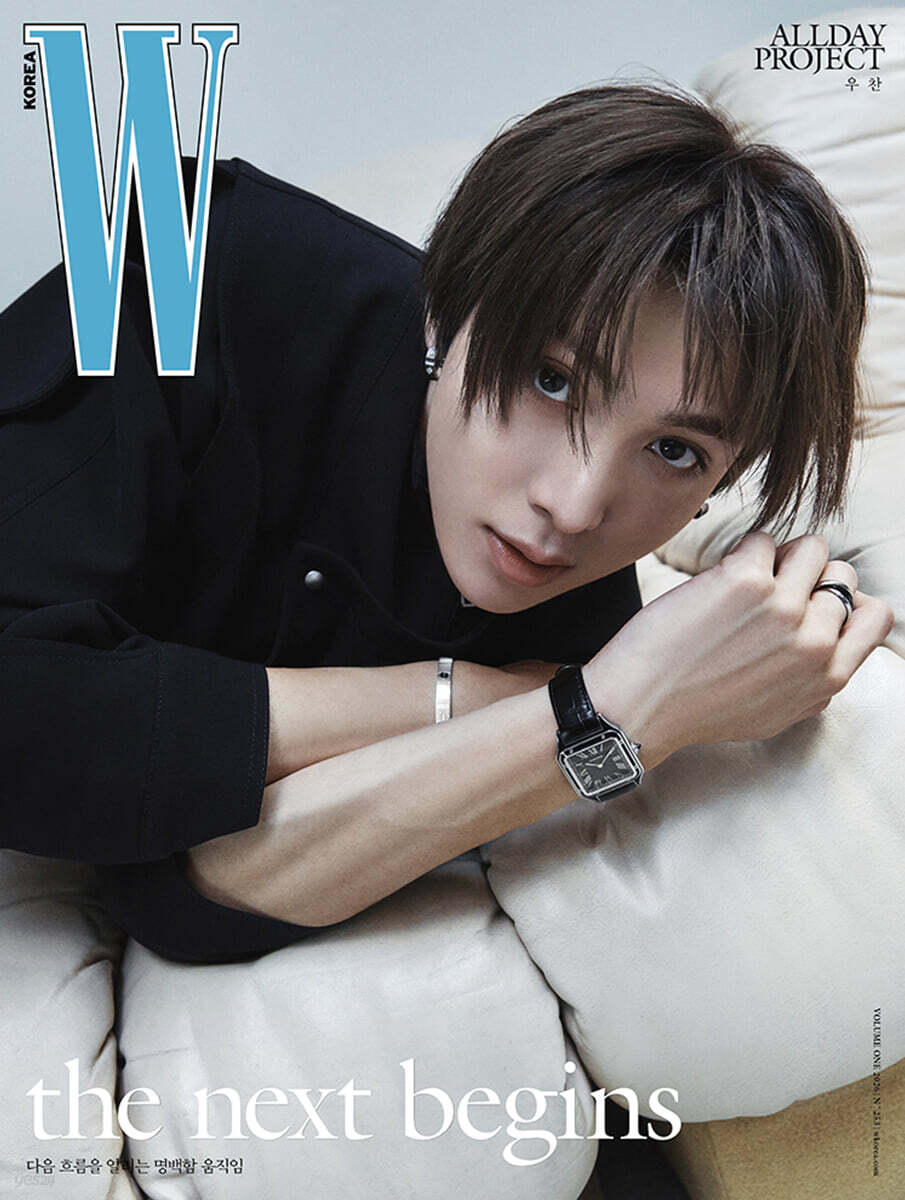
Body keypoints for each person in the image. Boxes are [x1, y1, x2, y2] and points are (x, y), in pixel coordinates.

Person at [0, 83, 893, 963]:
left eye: (674, 451)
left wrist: (613, 712)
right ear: (443, 306)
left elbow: (182, 900)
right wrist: (477, 700)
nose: (574, 506)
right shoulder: (193, 262)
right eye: (551, 381)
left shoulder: (589, 627)